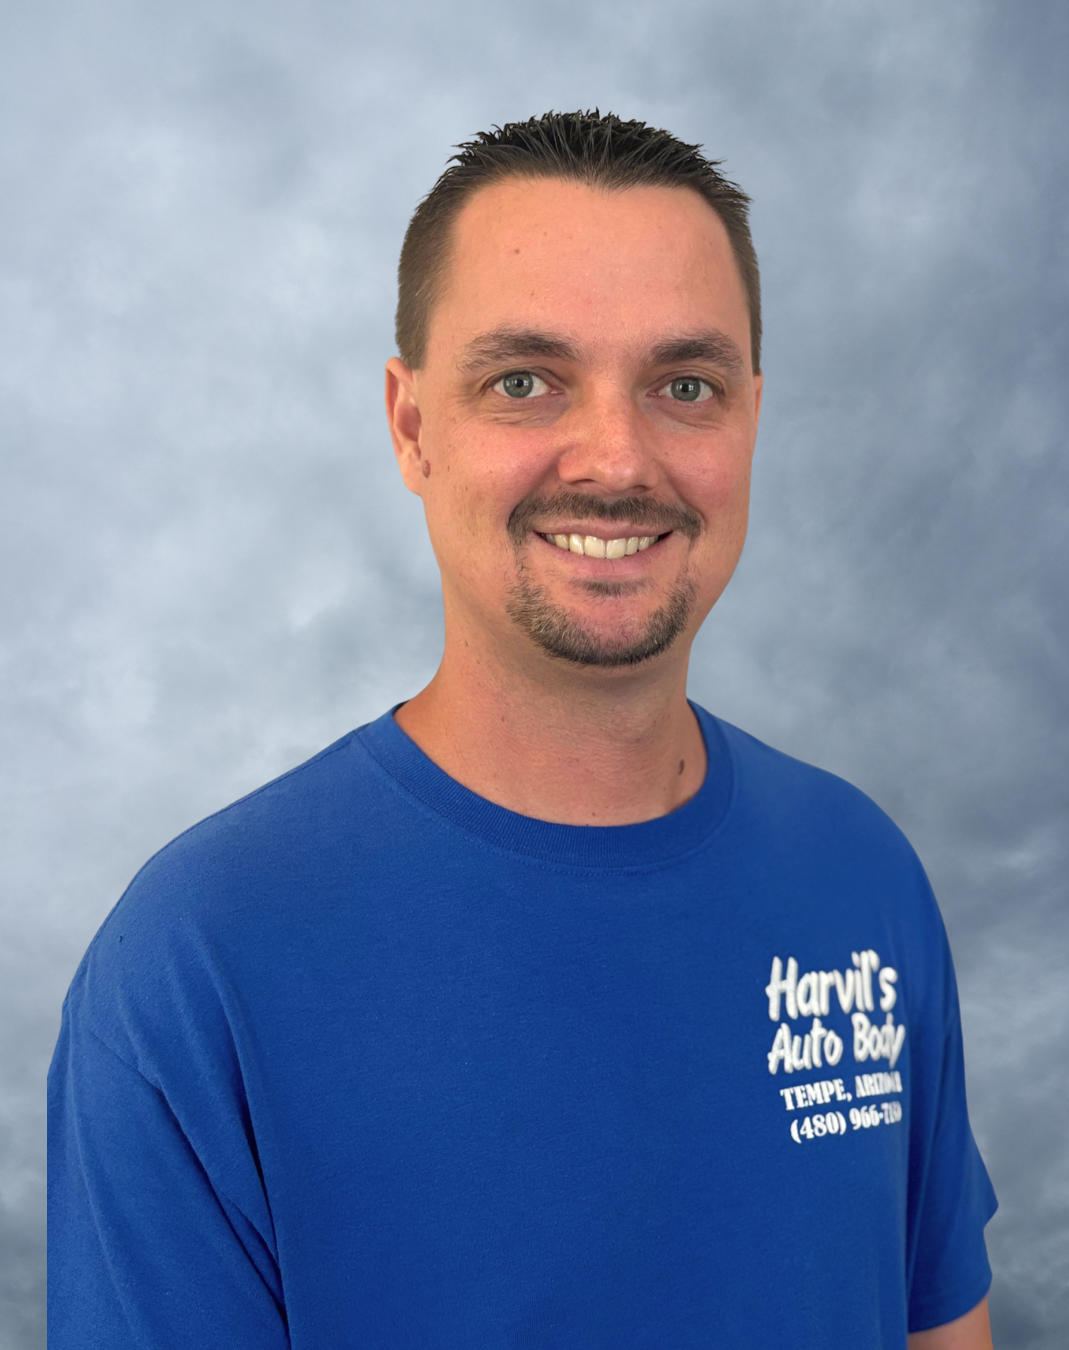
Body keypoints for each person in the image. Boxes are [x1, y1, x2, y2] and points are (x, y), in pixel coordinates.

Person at [48, 111, 997, 1348]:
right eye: (524, 381)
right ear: (411, 428)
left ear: (751, 417)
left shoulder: (864, 875)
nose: (616, 458)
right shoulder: (193, 968)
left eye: (685, 385)